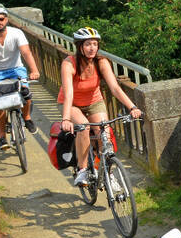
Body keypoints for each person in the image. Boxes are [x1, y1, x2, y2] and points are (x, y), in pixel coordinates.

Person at [58, 27, 142, 186]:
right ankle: (82, 170)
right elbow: (68, 93)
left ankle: (108, 174)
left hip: (94, 102)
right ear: (79, 46)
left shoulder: (101, 62)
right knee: (83, 128)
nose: (92, 48)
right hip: (72, 104)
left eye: (95, 44)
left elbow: (115, 88)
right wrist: (66, 118)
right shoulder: (69, 63)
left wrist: (132, 107)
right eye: (88, 44)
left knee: (105, 132)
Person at [0, 5, 40, 148]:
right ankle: (2, 137)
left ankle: (27, 118)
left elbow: (26, 53)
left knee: (26, 92)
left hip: (16, 69)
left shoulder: (16, 33)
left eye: (1, 19)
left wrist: (34, 70)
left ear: (6, 19)